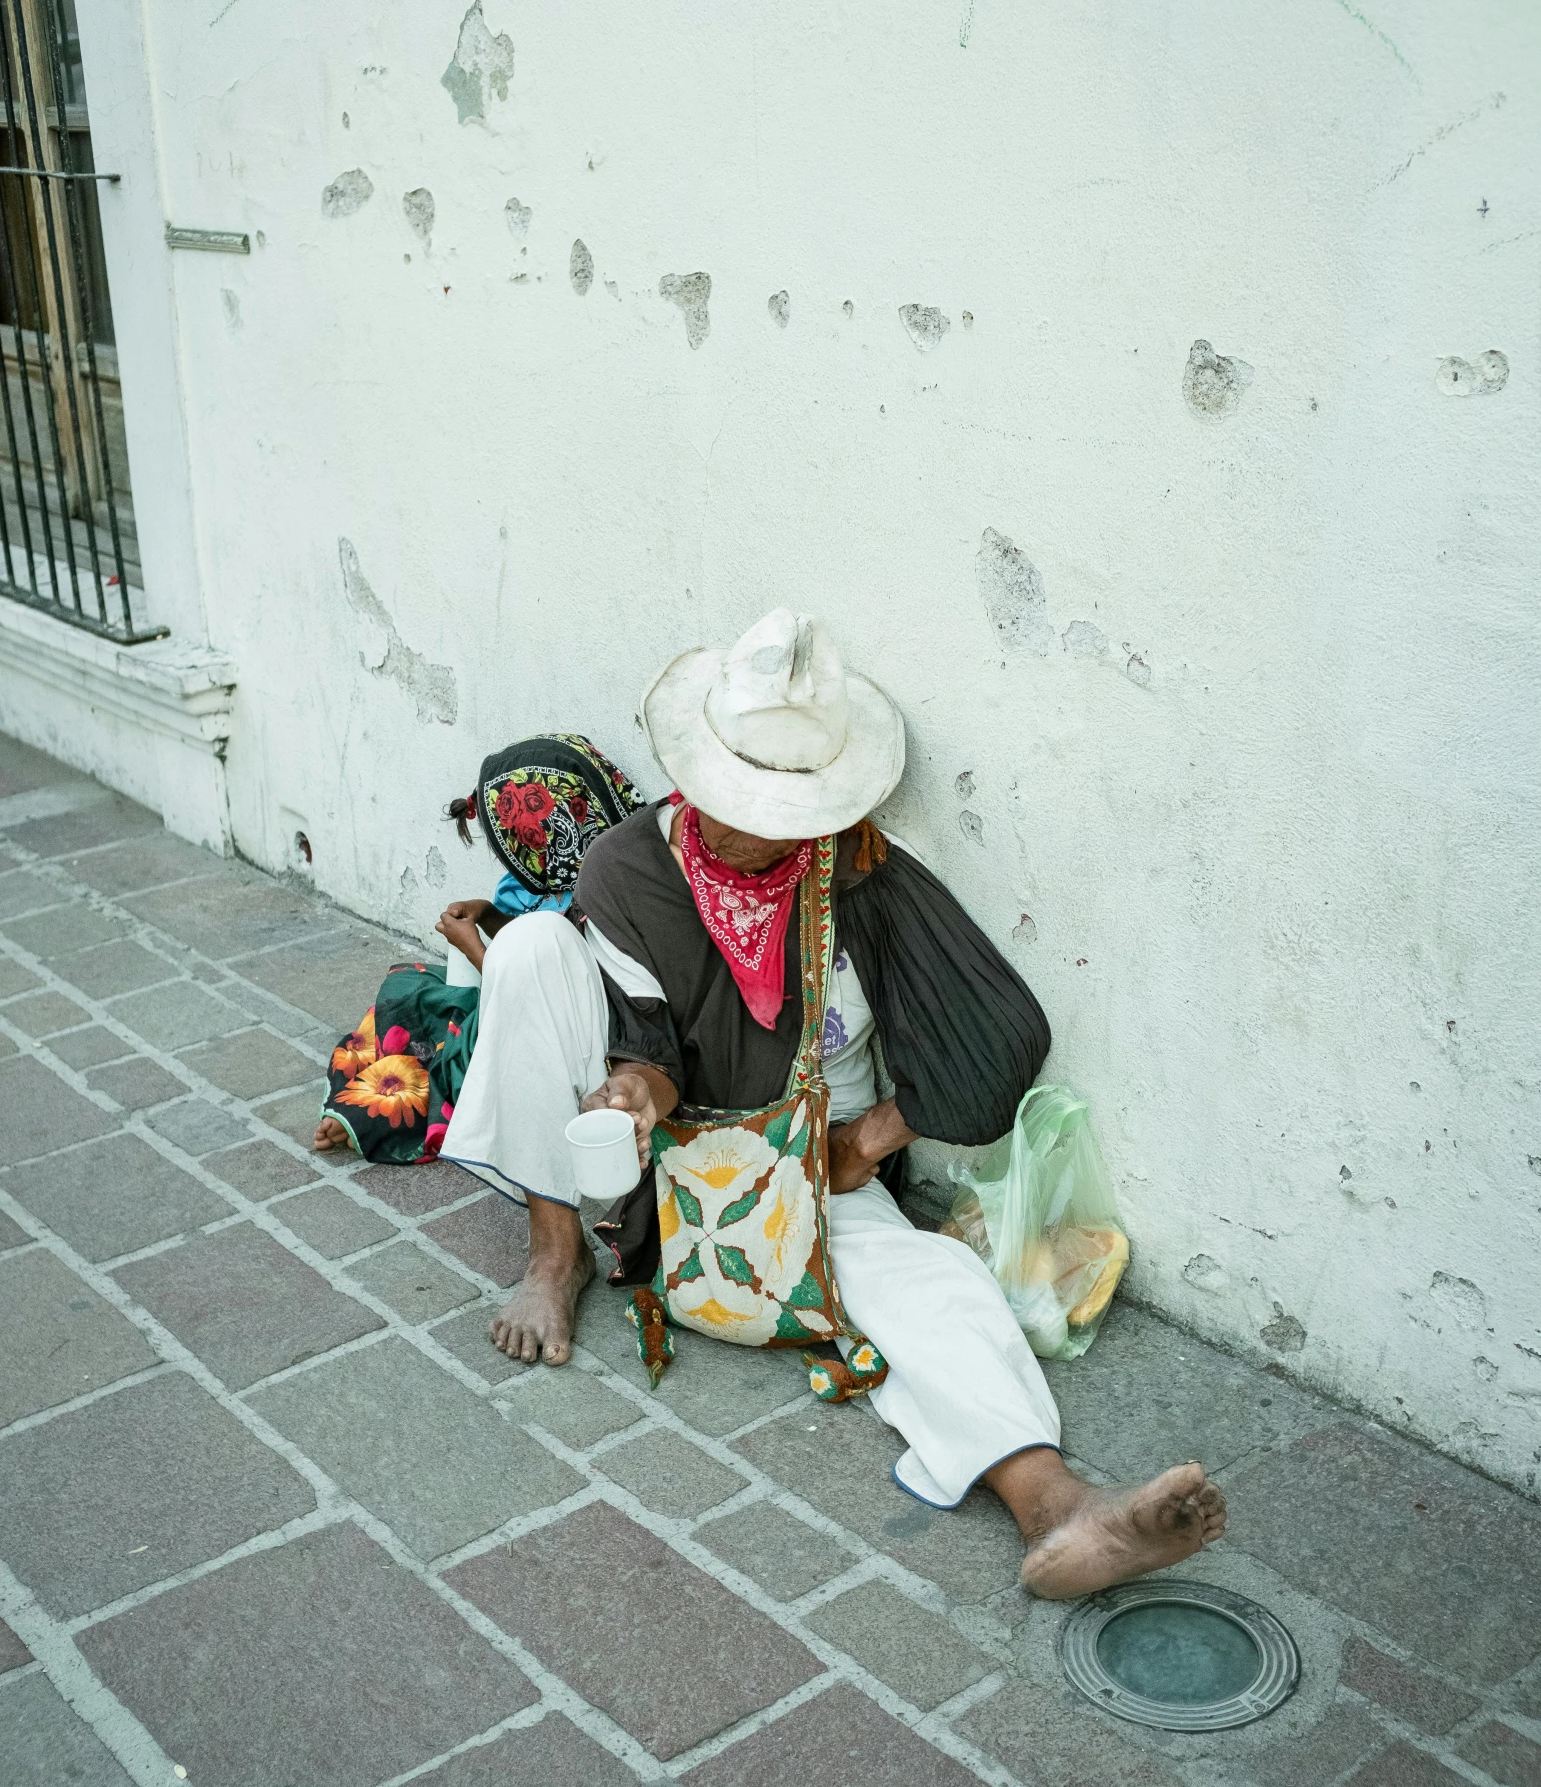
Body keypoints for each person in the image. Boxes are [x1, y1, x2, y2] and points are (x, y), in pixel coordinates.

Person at [440, 610, 1227, 1600]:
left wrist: (870, 1136)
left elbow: (1002, 1029)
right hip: (673, 1165)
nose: (757, 827)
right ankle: (553, 1259)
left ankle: (1056, 1508)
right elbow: (645, 1042)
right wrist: (630, 1093)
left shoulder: (854, 866)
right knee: (526, 949)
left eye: (784, 804)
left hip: (810, 1172)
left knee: (932, 1287)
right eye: (737, 796)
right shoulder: (628, 867)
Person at [313, 735, 641, 1163]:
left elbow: (543, 1001)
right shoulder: (541, 880)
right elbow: (520, 936)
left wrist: (476, 953)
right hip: (504, 994)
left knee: (465, 1046)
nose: (518, 854)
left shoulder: (608, 898)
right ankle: (391, 1079)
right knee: (409, 987)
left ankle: (385, 1108)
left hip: (550, 1033)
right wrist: (487, 915)